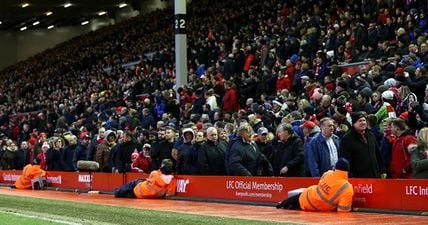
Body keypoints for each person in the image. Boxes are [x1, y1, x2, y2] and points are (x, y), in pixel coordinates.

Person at [276, 158, 354, 212]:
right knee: (297, 201)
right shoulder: (347, 188)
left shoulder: (328, 173)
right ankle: (287, 204)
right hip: (318, 208)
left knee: (296, 198)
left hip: (307, 196)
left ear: (336, 167)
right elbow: (343, 210)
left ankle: (282, 204)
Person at [339, 111, 386, 178]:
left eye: (364, 120)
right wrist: (350, 176)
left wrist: (382, 170)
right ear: (354, 123)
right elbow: (345, 161)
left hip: (375, 177)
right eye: (360, 121)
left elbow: (377, 154)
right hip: (359, 180)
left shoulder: (371, 135)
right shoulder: (347, 139)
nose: (363, 123)